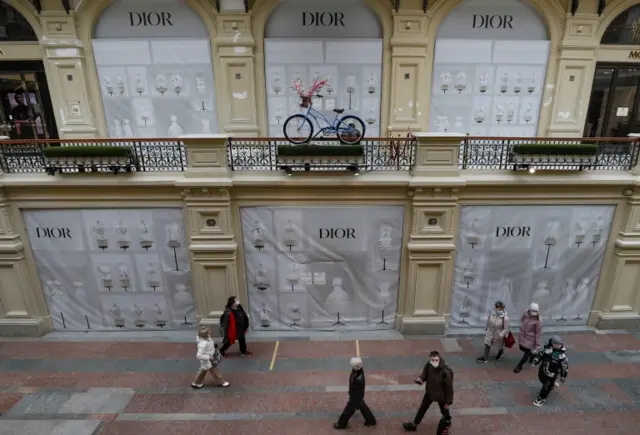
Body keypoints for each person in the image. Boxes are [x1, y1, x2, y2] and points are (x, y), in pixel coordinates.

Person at [402, 350, 453, 432]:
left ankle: (447, 423)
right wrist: (421, 379)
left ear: (439, 358)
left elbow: (449, 388)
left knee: (444, 410)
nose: (434, 362)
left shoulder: (446, 371)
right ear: (430, 359)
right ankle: (415, 424)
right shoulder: (429, 365)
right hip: (430, 392)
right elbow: (425, 373)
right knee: (422, 408)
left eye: (436, 360)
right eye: (432, 360)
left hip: (441, 396)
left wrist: (448, 402)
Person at [334, 357, 376, 430]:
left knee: (348, 411)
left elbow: (357, 390)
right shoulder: (358, 371)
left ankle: (341, 424)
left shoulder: (358, 379)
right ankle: (371, 420)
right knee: (363, 407)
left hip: (355, 397)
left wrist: (353, 399)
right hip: (357, 396)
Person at [531, 335, 568, 407]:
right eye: (557, 344)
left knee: (546, 386)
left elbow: (564, 366)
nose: (559, 345)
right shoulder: (547, 349)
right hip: (543, 370)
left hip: (552, 374)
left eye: (560, 344)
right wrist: (535, 361)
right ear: (553, 344)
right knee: (542, 379)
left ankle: (541, 399)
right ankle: (551, 386)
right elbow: (540, 355)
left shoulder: (562, 355)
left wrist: (563, 376)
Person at [514, 302, 542, 373]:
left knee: (527, 353)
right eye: (533, 311)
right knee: (522, 348)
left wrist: (537, 345)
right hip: (523, 337)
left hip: (531, 339)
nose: (534, 313)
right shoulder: (525, 314)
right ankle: (533, 354)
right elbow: (522, 320)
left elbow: (538, 334)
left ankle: (519, 365)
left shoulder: (538, 320)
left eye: (536, 311)